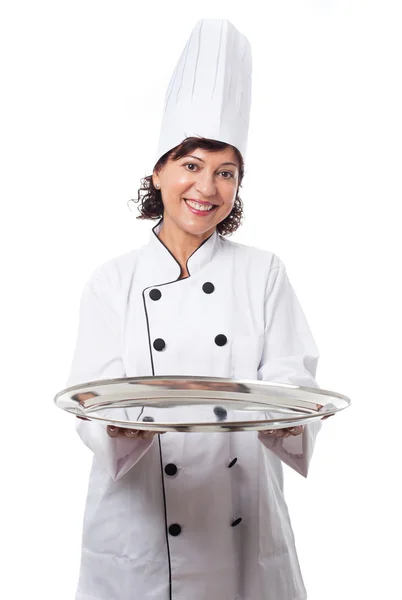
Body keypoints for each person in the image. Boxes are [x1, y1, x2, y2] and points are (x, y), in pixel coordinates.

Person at [67, 19, 323, 600]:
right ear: (158, 172)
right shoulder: (112, 282)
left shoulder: (265, 272)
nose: (206, 186)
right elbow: (95, 397)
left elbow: (290, 379)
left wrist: (290, 415)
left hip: (242, 523)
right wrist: (111, 423)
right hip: (140, 532)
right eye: (190, 164)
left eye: (225, 171)